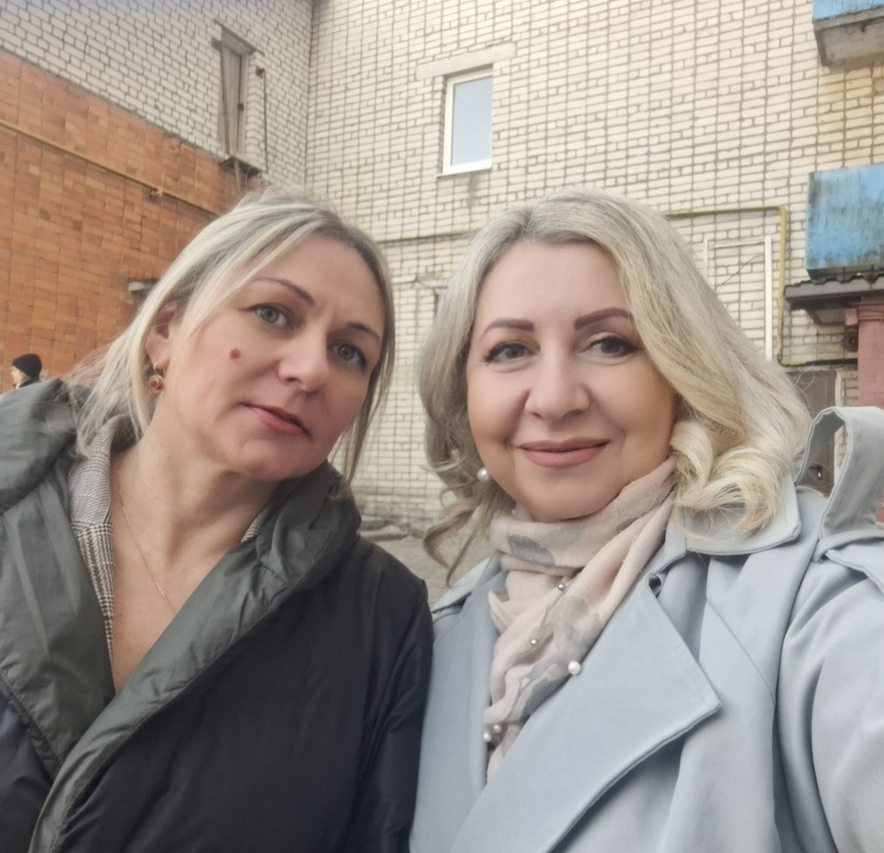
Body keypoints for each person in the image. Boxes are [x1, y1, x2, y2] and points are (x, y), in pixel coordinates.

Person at [410, 188, 884, 853]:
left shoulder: (812, 600)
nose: (555, 399)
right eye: (510, 350)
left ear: (681, 369)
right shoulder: (442, 631)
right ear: (463, 391)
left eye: (609, 343)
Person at [0, 187, 432, 853]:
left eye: (350, 352)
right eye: (272, 314)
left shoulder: (383, 619)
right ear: (166, 331)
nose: (311, 369)